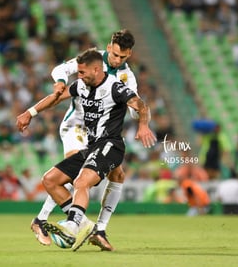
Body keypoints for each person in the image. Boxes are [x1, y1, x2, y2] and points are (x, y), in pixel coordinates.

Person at [16, 49, 156, 251]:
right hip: (92, 146)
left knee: (82, 181)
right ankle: (84, 226)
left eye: (82, 72)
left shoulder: (115, 87)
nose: (78, 76)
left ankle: (72, 227)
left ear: (96, 70)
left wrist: (143, 126)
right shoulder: (81, 85)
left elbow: (140, 105)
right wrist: (30, 113)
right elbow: (56, 96)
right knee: (50, 180)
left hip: (110, 145)